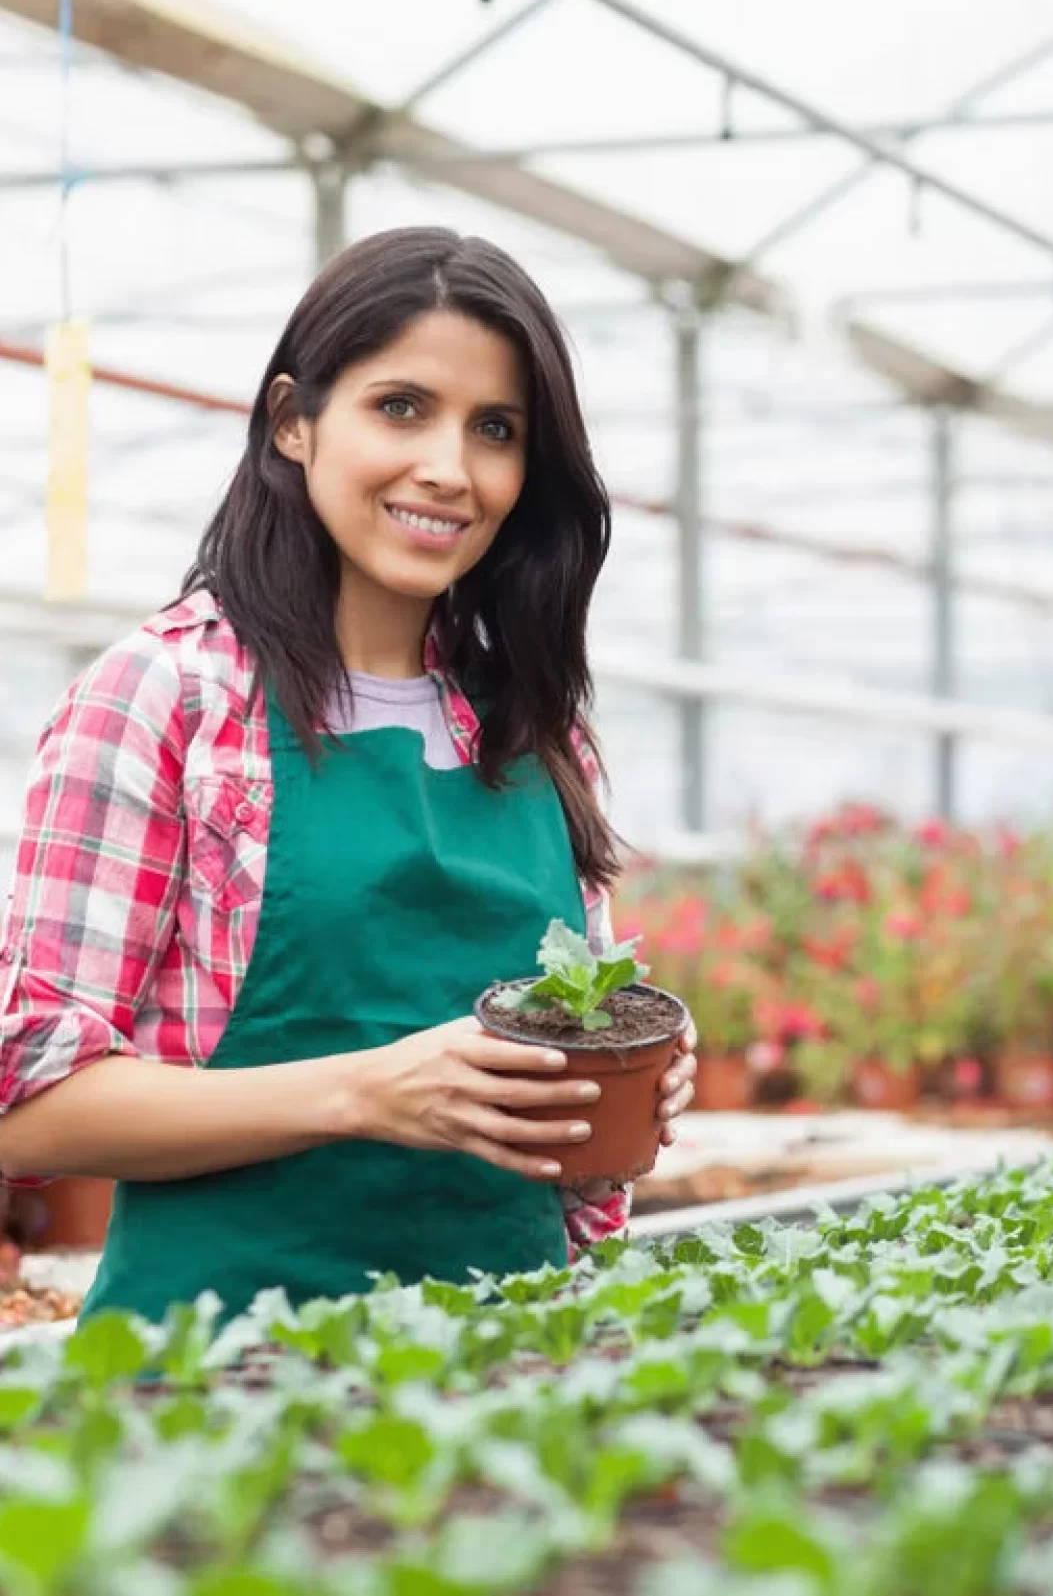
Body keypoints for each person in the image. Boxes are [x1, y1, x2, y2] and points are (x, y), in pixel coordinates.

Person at [0, 228, 696, 1323]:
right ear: (293, 419)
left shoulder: (537, 735)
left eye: (496, 429)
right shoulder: (170, 696)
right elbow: (30, 1103)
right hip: (209, 1379)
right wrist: (368, 1092)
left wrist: (626, 1095)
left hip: (508, 1380)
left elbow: (575, 1172)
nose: (449, 469)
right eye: (401, 406)